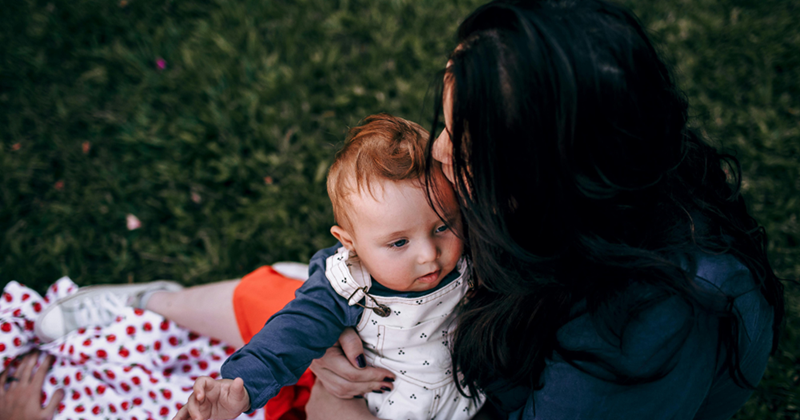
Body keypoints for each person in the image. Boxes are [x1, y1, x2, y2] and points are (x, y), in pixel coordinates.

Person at [305, 0, 786, 419]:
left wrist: (339, 413)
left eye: (466, 151)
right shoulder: (570, 174)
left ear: (546, 179)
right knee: (253, 296)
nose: (438, 153)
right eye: (449, 126)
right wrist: (321, 329)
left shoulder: (643, 326)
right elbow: (385, 234)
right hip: (432, 356)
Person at [173, 113, 484, 420]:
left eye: (442, 227)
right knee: (257, 299)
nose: (429, 255)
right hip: (389, 409)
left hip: (473, 403)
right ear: (349, 243)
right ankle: (156, 301)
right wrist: (239, 386)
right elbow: (288, 335)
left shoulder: (468, 249)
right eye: (399, 243)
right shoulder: (346, 285)